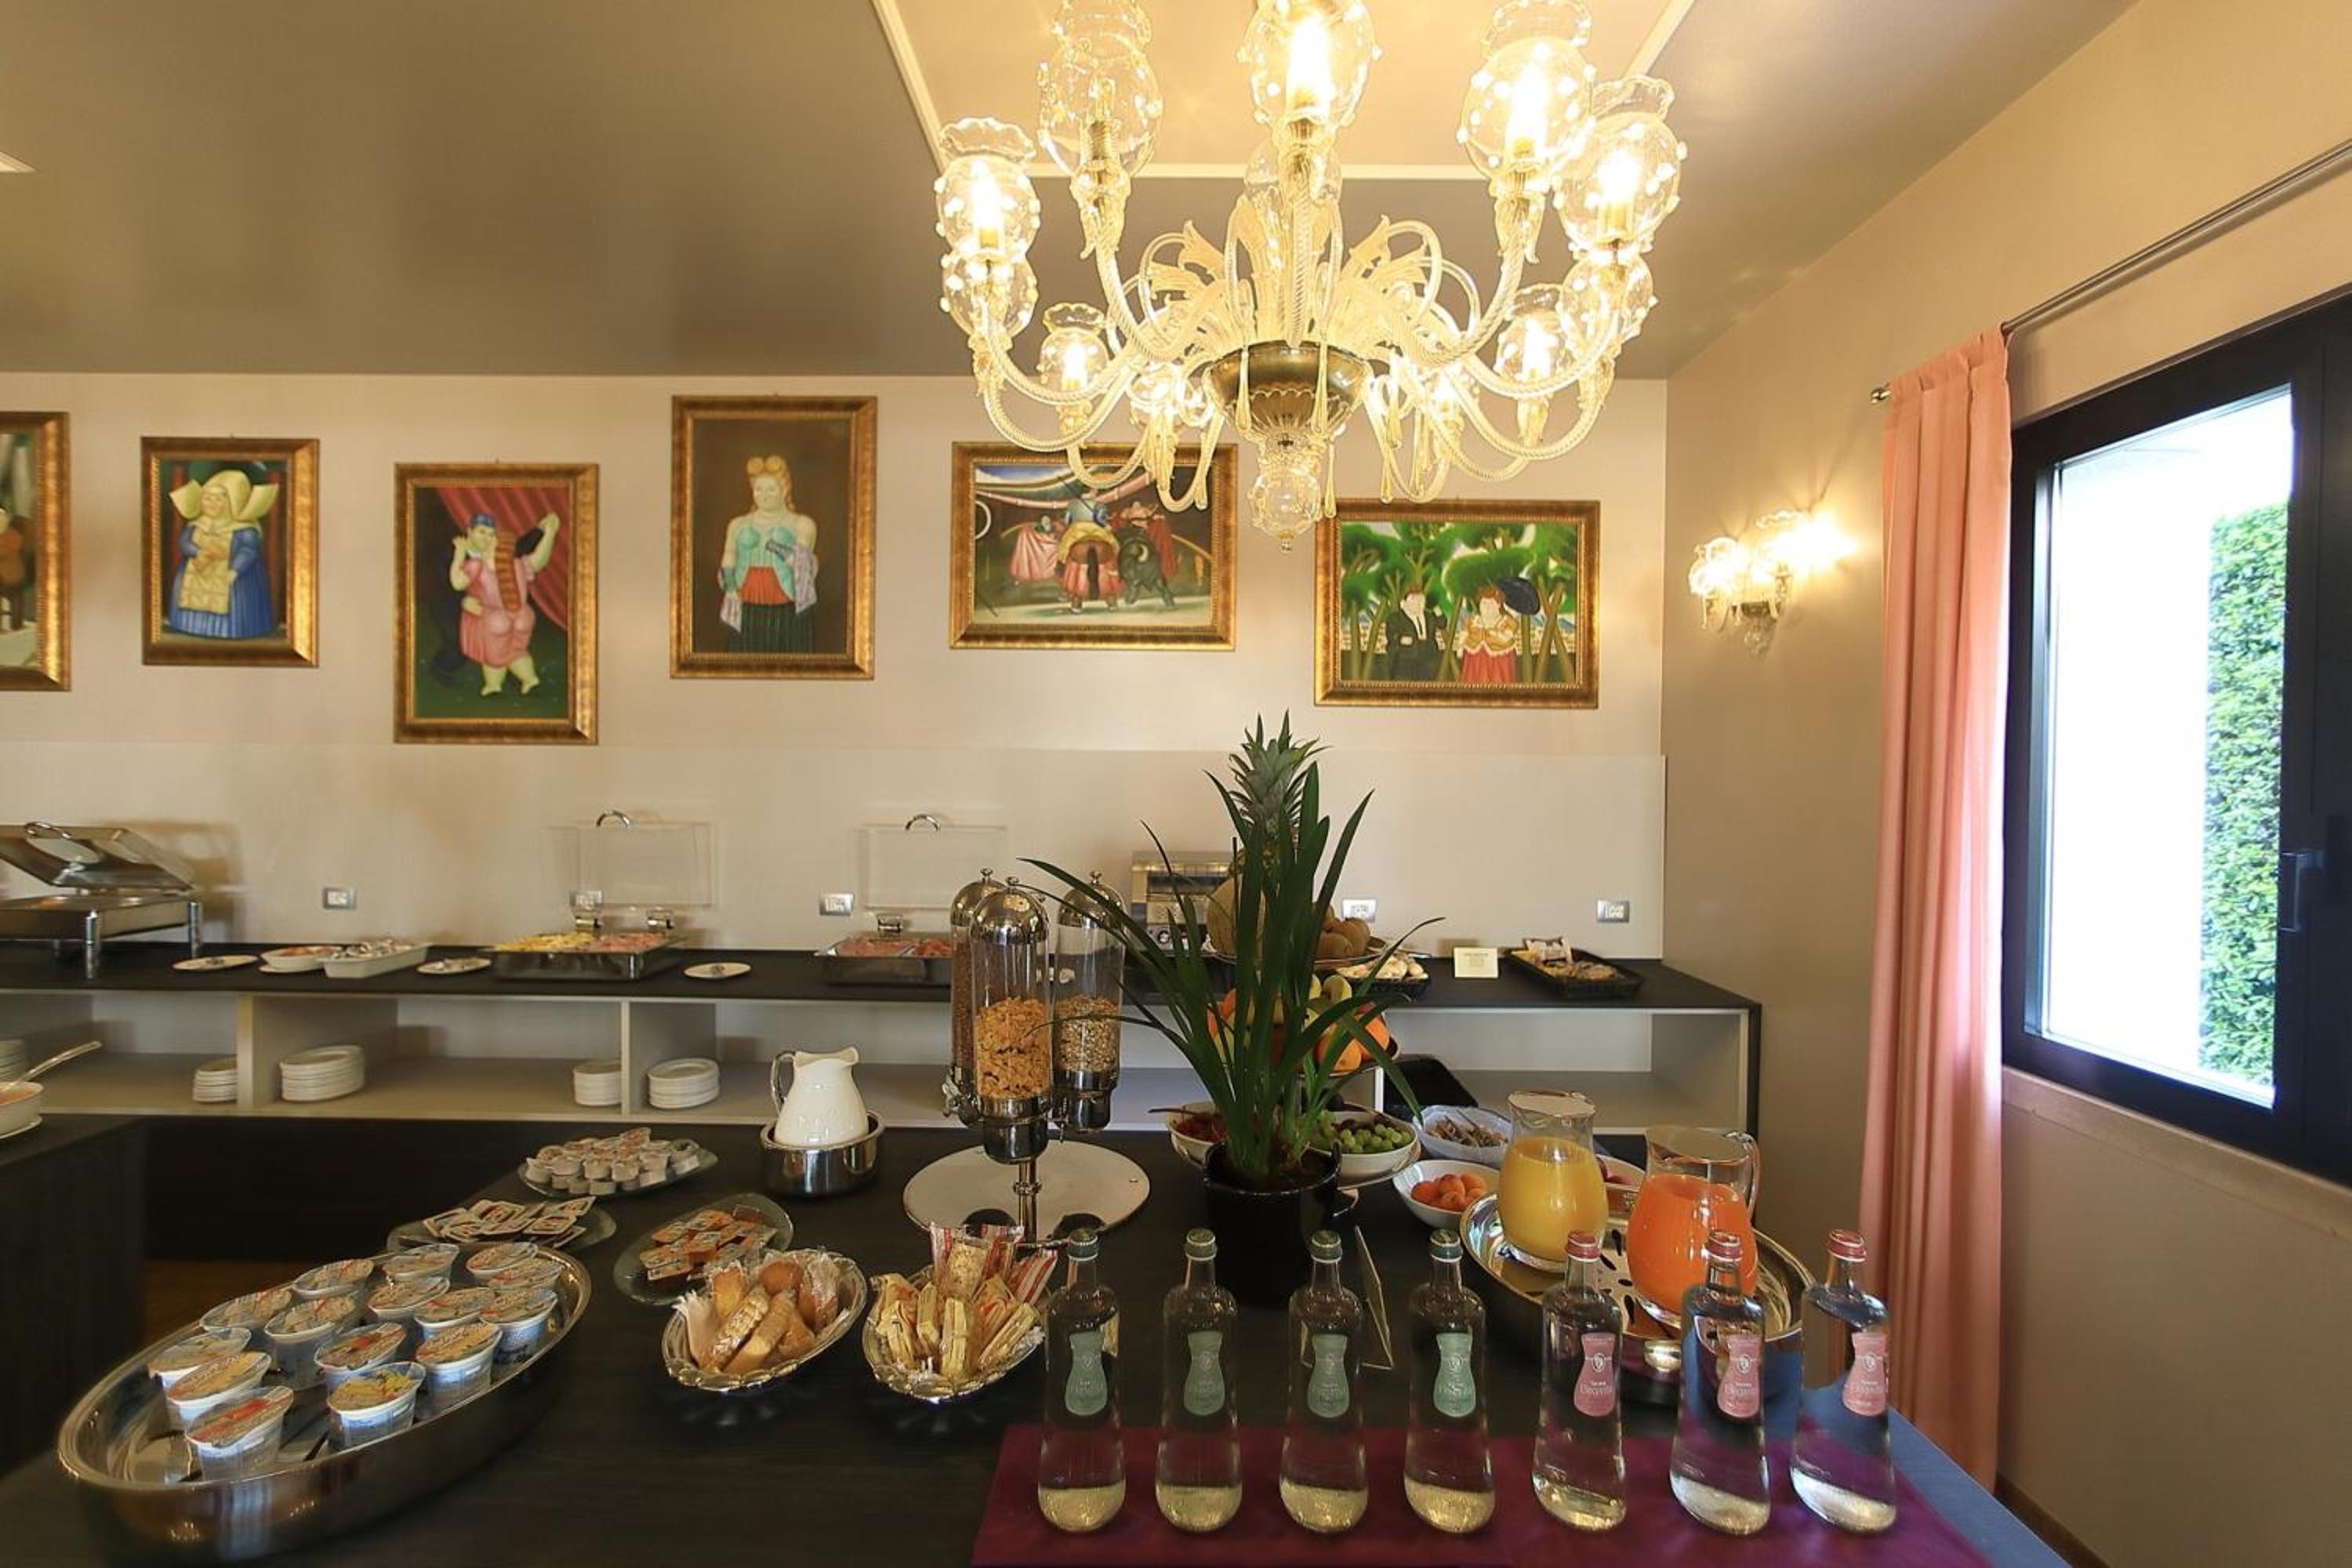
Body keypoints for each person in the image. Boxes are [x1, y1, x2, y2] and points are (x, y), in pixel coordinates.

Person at [449, 507, 561, 695]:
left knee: (495, 655)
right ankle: (530, 679)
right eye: (483, 532)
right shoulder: (518, 564)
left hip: (493, 618)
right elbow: (538, 561)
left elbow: (457, 583)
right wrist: (550, 534)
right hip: (523, 616)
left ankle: (494, 685)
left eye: (491, 535)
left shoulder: (477, 565)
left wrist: (459, 555)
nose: (487, 539)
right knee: (516, 652)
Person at [717, 454, 819, 653]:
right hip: (745, 603)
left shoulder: (801, 523)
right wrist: (730, 588)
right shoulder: (738, 524)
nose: (764, 495)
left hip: (788, 605)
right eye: (758, 489)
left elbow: (802, 563)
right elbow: (729, 557)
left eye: (771, 489)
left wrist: (775, 546)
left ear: (785, 489)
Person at [165, 469, 278, 640]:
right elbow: (184, 543)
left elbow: (248, 550)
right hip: (197, 573)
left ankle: (230, 630)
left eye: (219, 499)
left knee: (234, 599)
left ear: (235, 501)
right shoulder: (197, 524)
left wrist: (234, 571)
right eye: (208, 498)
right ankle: (190, 625)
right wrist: (198, 551)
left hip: (232, 577)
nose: (212, 504)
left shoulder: (245, 529)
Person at [1373, 580, 1446, 682]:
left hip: (1428, 662)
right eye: (1414, 600)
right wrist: (1401, 639)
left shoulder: (1429, 616)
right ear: (1404, 603)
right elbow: (1391, 636)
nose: (1418, 603)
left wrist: (1437, 610)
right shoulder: (1396, 618)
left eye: (1421, 600)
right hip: (1406, 662)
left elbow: (1442, 624)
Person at [1055, 502, 1123, 611]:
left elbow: (1068, 521)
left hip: (1077, 529)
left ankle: (1075, 600)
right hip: (1099, 530)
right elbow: (1102, 519)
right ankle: (1111, 601)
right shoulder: (1099, 504)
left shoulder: (1073, 505)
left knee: (1064, 548)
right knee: (1115, 547)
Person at [1454, 583, 1523, 685]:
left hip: (1498, 660)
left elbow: (1507, 637)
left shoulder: (1506, 622)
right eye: (1484, 604)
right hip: (1475, 661)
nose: (1487, 607)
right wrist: (1460, 647)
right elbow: (1465, 632)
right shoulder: (1473, 620)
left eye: (1490, 604)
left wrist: (1497, 634)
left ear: (1498, 605)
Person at [1005, 506, 1063, 590]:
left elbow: (1057, 534)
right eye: (1044, 520)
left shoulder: (1056, 528)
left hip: (1052, 544)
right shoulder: (1034, 529)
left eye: (1047, 520)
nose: (1046, 521)